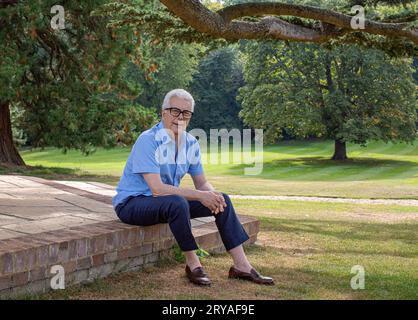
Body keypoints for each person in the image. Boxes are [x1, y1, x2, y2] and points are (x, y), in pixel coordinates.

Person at [112, 89, 274, 286]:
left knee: (222, 199)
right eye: (174, 111)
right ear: (163, 112)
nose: (180, 117)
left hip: (166, 204)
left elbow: (202, 182)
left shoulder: (190, 143)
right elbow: (156, 189)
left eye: (186, 113)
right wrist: (199, 195)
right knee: (178, 202)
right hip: (133, 204)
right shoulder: (148, 140)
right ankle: (193, 264)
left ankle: (242, 266)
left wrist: (213, 196)